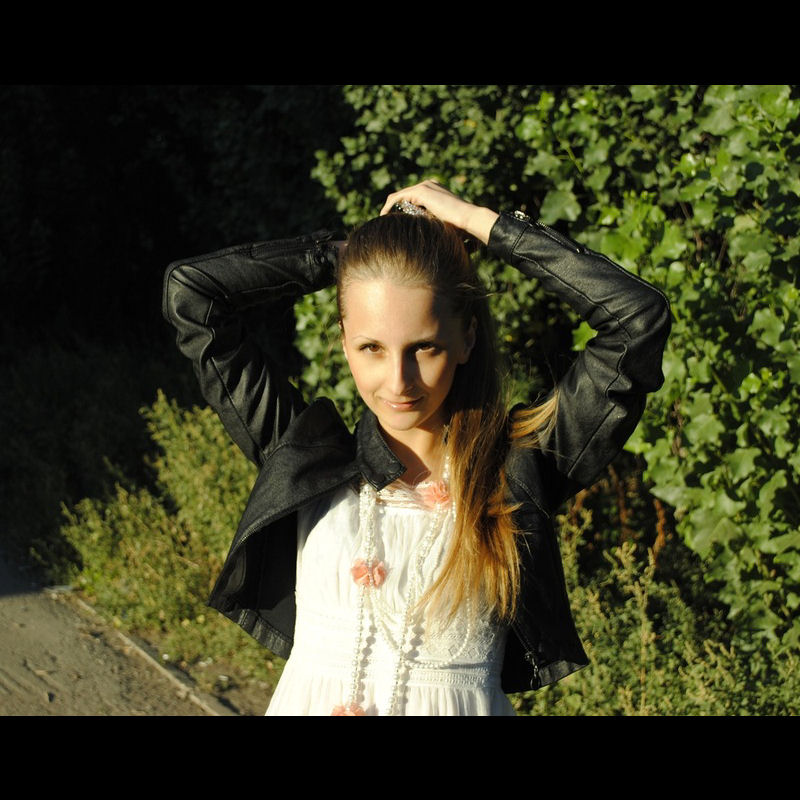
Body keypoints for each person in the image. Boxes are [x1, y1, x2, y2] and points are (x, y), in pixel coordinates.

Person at [162, 180, 671, 715]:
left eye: (424, 348)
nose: (398, 381)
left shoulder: (518, 470)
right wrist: (348, 257)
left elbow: (637, 321)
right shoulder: (304, 457)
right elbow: (191, 293)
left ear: (466, 339)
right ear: (344, 340)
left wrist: (482, 224)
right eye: (371, 347)